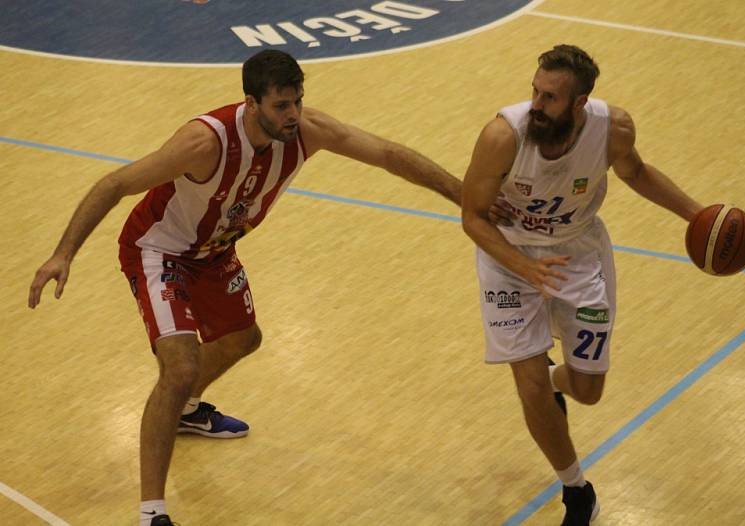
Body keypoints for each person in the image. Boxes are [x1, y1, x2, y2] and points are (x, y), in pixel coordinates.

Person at [28, 49, 465, 526]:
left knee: (243, 339)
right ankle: (151, 512)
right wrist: (63, 252)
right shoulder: (204, 142)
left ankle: (186, 411)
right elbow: (115, 183)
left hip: (213, 252)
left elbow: (388, 155)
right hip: (159, 250)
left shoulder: (308, 131)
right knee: (178, 367)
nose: (294, 114)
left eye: (298, 100)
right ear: (251, 103)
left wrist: (462, 193)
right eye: (282, 105)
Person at [461, 44, 704, 525]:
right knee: (526, 384)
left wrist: (698, 216)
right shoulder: (502, 135)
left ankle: (557, 382)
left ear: (579, 104)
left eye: (550, 97)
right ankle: (577, 490)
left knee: (589, 390)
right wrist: (522, 266)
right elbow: (472, 216)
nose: (536, 103)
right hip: (507, 256)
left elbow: (636, 172)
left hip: (577, 253)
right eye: (534, 90)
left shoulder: (612, 130)